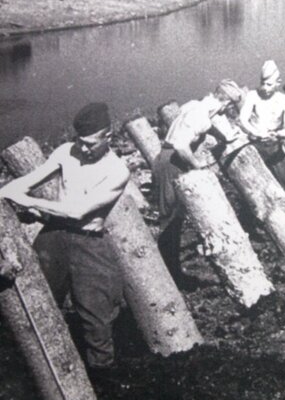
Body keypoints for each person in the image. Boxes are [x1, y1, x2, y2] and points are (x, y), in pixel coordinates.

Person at [0, 102, 130, 372]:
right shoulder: (65, 151)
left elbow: (78, 211)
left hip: (89, 243)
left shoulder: (117, 171)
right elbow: (26, 182)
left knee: (96, 317)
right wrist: (7, 191)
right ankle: (26, 372)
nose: (83, 148)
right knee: (36, 300)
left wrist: (25, 201)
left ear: (108, 136)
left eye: (90, 144)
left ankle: (102, 378)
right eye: (80, 141)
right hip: (54, 238)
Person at [152, 93, 224, 288]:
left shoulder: (193, 105)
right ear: (222, 102)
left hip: (166, 158)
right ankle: (172, 276)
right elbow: (181, 146)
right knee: (170, 220)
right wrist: (197, 164)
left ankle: (174, 272)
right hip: (172, 162)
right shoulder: (202, 117)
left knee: (175, 217)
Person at [238, 60, 285, 182]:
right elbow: (243, 118)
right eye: (263, 84)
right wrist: (256, 133)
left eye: (269, 84)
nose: (265, 88)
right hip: (254, 141)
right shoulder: (253, 96)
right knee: (258, 179)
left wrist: (280, 134)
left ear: (278, 83)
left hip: (274, 143)